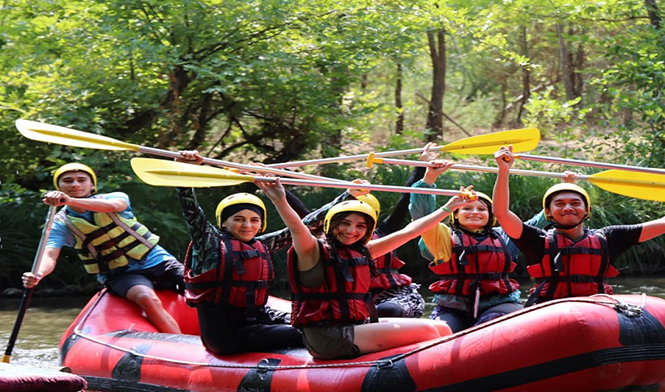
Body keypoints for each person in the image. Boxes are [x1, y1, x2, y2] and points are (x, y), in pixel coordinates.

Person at [260, 176, 466, 360]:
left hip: (353, 327)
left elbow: (410, 231)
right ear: (331, 225)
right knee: (430, 332)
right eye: (345, 223)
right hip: (329, 337)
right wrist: (279, 199)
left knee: (442, 328)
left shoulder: (363, 251)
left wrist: (450, 206)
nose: (352, 231)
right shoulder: (312, 250)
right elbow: (297, 227)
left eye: (360, 226)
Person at [492, 146, 665, 306]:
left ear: (587, 210)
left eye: (575, 203)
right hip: (547, 309)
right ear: (548, 212)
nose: (568, 208)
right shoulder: (536, 240)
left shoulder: (609, 238)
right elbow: (501, 213)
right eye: (559, 204)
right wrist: (504, 171)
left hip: (596, 308)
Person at [257, 145, 438, 319]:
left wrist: (421, 167)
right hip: (355, 299)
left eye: (361, 222)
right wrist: (273, 183)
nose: (352, 229)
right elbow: (302, 217)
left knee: (388, 310)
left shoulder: (383, 233)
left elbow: (404, 200)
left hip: (389, 294)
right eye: (346, 220)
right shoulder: (325, 237)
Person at [22, 163, 183, 333]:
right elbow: (50, 255)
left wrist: (69, 200)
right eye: (68, 181)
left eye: (81, 180)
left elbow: (114, 207)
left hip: (157, 260)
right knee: (146, 297)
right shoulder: (60, 223)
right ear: (59, 188)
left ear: (92, 185)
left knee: (204, 287)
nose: (75, 184)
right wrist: (38, 274)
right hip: (120, 273)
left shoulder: (116, 197)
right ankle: (182, 346)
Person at [173, 151, 303, 354]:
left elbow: (306, 226)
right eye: (239, 219)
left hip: (258, 321)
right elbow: (191, 210)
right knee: (306, 335)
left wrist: (348, 197)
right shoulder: (210, 244)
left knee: (314, 322)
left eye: (254, 220)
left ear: (261, 224)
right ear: (224, 222)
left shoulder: (262, 245)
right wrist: (184, 169)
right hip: (227, 336)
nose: (247, 225)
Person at [408, 159, 525, 332]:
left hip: (499, 303)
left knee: (492, 323)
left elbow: (536, 223)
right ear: (455, 215)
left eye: (482, 209)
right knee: (441, 331)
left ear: (490, 215)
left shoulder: (504, 235)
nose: (475, 212)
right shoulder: (443, 237)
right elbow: (422, 216)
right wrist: (429, 178)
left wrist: (565, 191)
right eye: (467, 208)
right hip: (454, 306)